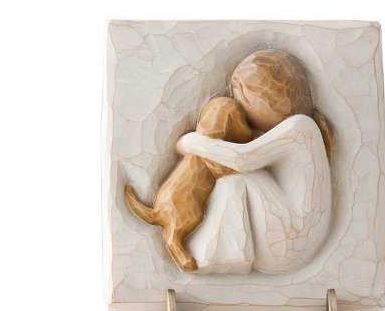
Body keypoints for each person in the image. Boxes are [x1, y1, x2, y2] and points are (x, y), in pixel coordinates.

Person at [126, 50, 333, 273]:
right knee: (234, 178)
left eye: (243, 97)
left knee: (235, 180)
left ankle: (221, 256)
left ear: (272, 100)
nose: (240, 106)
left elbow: (243, 159)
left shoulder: (300, 127)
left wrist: (190, 142)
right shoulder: (291, 130)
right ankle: (217, 253)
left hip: (292, 243)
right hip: (285, 240)